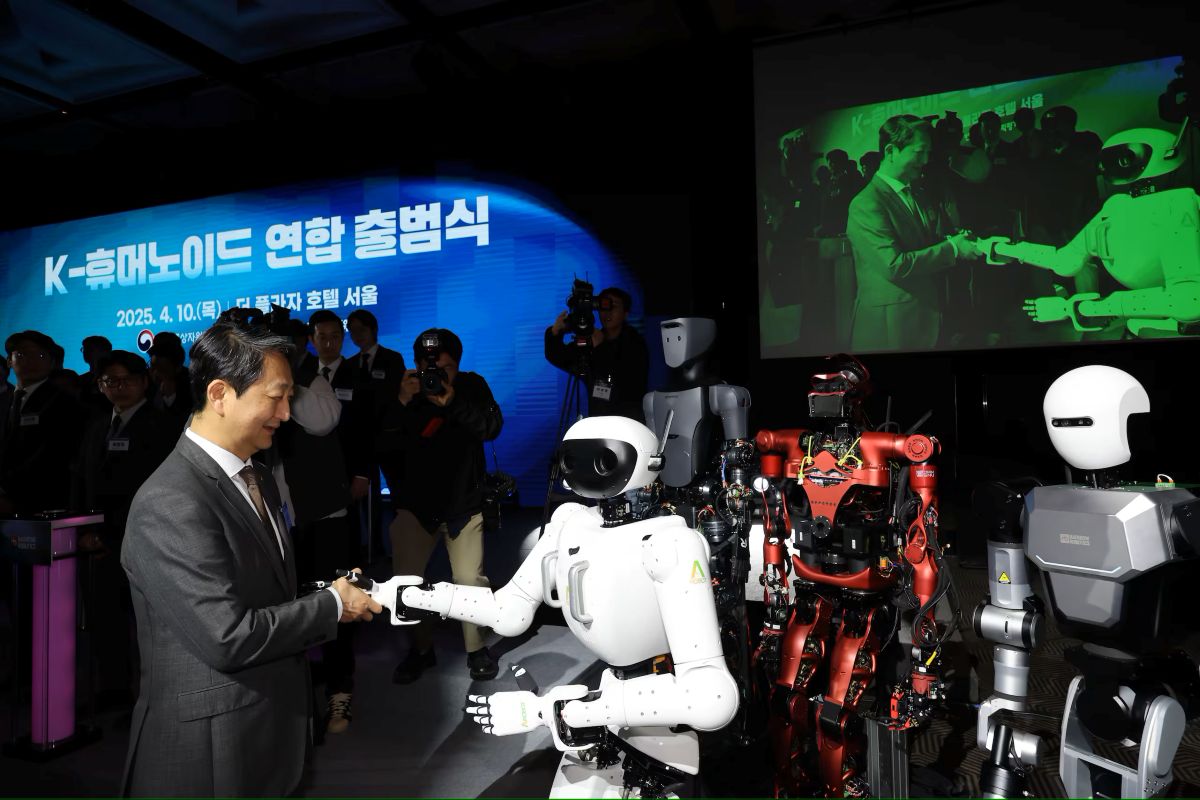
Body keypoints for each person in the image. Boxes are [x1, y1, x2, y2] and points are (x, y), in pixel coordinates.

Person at [119, 321, 381, 797]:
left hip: (266, 730)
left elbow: (262, 593)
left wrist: (328, 594)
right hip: (211, 751)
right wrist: (331, 606)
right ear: (220, 393)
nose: (286, 413)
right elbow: (227, 637)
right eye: (276, 397)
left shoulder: (255, 474)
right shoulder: (170, 501)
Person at [383, 328, 503, 684]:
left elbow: (491, 427)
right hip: (415, 507)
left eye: (444, 368)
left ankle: (476, 648)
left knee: (470, 581)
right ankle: (421, 649)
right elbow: (383, 446)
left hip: (464, 504)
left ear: (458, 364)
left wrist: (453, 402)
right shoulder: (405, 392)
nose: (435, 376)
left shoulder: (472, 386)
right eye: (426, 368)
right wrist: (401, 404)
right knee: (405, 585)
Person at [71, 350, 175, 710]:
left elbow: (152, 490)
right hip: (96, 541)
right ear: (100, 386)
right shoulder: (97, 425)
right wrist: (82, 529)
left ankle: (152, 699)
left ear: (144, 381)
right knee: (104, 620)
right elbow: (82, 481)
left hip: (144, 541)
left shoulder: (162, 426)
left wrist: (110, 535)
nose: (119, 387)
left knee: (150, 627)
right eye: (110, 381)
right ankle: (114, 690)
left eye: (127, 379)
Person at [845, 114, 982, 352]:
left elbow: (922, 244)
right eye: (919, 152)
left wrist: (957, 241)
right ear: (890, 151)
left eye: (928, 153)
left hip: (927, 320)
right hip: (890, 329)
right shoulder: (866, 203)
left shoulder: (916, 192)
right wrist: (952, 249)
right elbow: (894, 265)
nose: (926, 160)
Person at [0, 330, 84, 514]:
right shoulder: (5, 400)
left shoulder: (63, 401)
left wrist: (6, 487)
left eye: (40, 355)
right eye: (21, 355)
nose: (31, 361)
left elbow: (53, 454)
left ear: (52, 362)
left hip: (43, 503)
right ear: (9, 361)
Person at [544, 286, 648, 420]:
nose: (608, 311)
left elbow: (627, 383)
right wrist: (555, 333)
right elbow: (558, 356)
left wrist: (600, 347)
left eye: (614, 306)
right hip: (598, 422)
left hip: (628, 424)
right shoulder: (592, 339)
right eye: (604, 306)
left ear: (625, 313)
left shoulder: (634, 343)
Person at [147, 331, 192, 423]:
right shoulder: (144, 384)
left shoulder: (192, 386)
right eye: (152, 367)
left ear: (178, 367)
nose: (155, 374)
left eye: (161, 370)